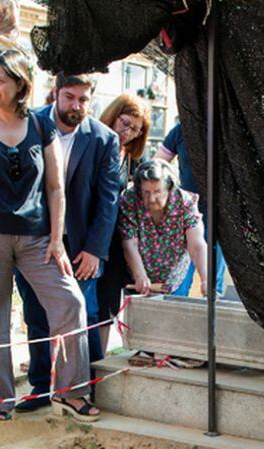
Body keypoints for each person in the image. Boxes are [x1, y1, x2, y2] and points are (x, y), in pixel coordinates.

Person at [0, 48, 98, 422]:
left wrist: (56, 239)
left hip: (38, 239)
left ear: (20, 83)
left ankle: (70, 392)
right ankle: (0, 401)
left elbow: (55, 188)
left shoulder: (41, 125)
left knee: (70, 305)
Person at [13, 73, 120, 412]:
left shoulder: (104, 139)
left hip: (81, 246)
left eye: (83, 100)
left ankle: (85, 388)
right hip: (32, 239)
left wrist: (95, 250)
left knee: (83, 314)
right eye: (70, 97)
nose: (76, 106)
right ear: (55, 93)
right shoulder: (27, 124)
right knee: (36, 314)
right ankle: (41, 387)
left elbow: (108, 200)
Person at [96, 93, 150, 350]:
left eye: (136, 130)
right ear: (113, 116)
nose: (128, 132)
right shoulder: (93, 142)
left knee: (108, 304)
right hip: (87, 233)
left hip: (116, 239)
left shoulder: (131, 157)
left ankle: (99, 362)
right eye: (125, 123)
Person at [155, 119, 227, 298]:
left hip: (220, 221)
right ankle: (175, 325)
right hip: (185, 220)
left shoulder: (227, 130)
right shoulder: (181, 131)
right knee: (177, 287)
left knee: (212, 292)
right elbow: (157, 165)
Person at [119, 159, 207, 296]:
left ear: (169, 188)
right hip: (136, 277)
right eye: (146, 193)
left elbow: (196, 245)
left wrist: (205, 279)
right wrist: (140, 276)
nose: (152, 198)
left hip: (174, 279)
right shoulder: (131, 199)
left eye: (157, 192)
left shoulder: (185, 202)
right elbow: (129, 243)